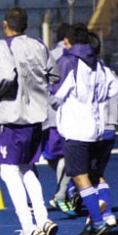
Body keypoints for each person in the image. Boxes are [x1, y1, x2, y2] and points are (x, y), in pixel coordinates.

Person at [0, 7, 60, 235]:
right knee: (27, 168)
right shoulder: (39, 44)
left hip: (14, 119)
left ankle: (28, 228)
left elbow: (6, 76)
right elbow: (54, 74)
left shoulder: (2, 46)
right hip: (36, 119)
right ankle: (43, 219)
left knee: (8, 172)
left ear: (6, 24)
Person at [71, 31, 118, 235]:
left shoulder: (84, 70)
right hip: (108, 128)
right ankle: (108, 213)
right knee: (96, 173)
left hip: (91, 129)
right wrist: (111, 110)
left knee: (83, 174)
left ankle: (99, 213)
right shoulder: (106, 70)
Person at [44, 23, 76, 217]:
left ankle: (64, 190)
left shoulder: (50, 55)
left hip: (51, 114)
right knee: (64, 156)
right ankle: (65, 190)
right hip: (66, 114)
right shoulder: (73, 57)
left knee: (54, 155)